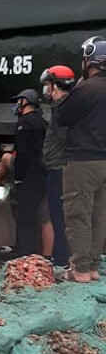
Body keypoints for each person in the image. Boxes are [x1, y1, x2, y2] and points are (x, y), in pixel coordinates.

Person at [55, 37, 106, 282]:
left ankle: (80, 270)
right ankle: (93, 267)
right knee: (99, 215)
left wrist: (69, 93)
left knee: (78, 215)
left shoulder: (86, 88)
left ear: (90, 59)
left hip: (84, 161)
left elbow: (62, 117)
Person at [40, 65, 76, 268]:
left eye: (47, 85)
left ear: (56, 84)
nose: (45, 90)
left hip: (59, 169)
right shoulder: (61, 107)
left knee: (59, 215)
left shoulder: (63, 109)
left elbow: (63, 140)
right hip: (57, 167)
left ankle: (62, 259)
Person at [9, 88, 48, 257]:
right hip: (42, 174)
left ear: (25, 102)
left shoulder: (24, 123)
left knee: (24, 215)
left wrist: (18, 177)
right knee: (38, 214)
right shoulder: (43, 122)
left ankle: (24, 253)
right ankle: (37, 251)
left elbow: (22, 153)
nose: (17, 104)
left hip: (28, 176)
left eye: (19, 101)